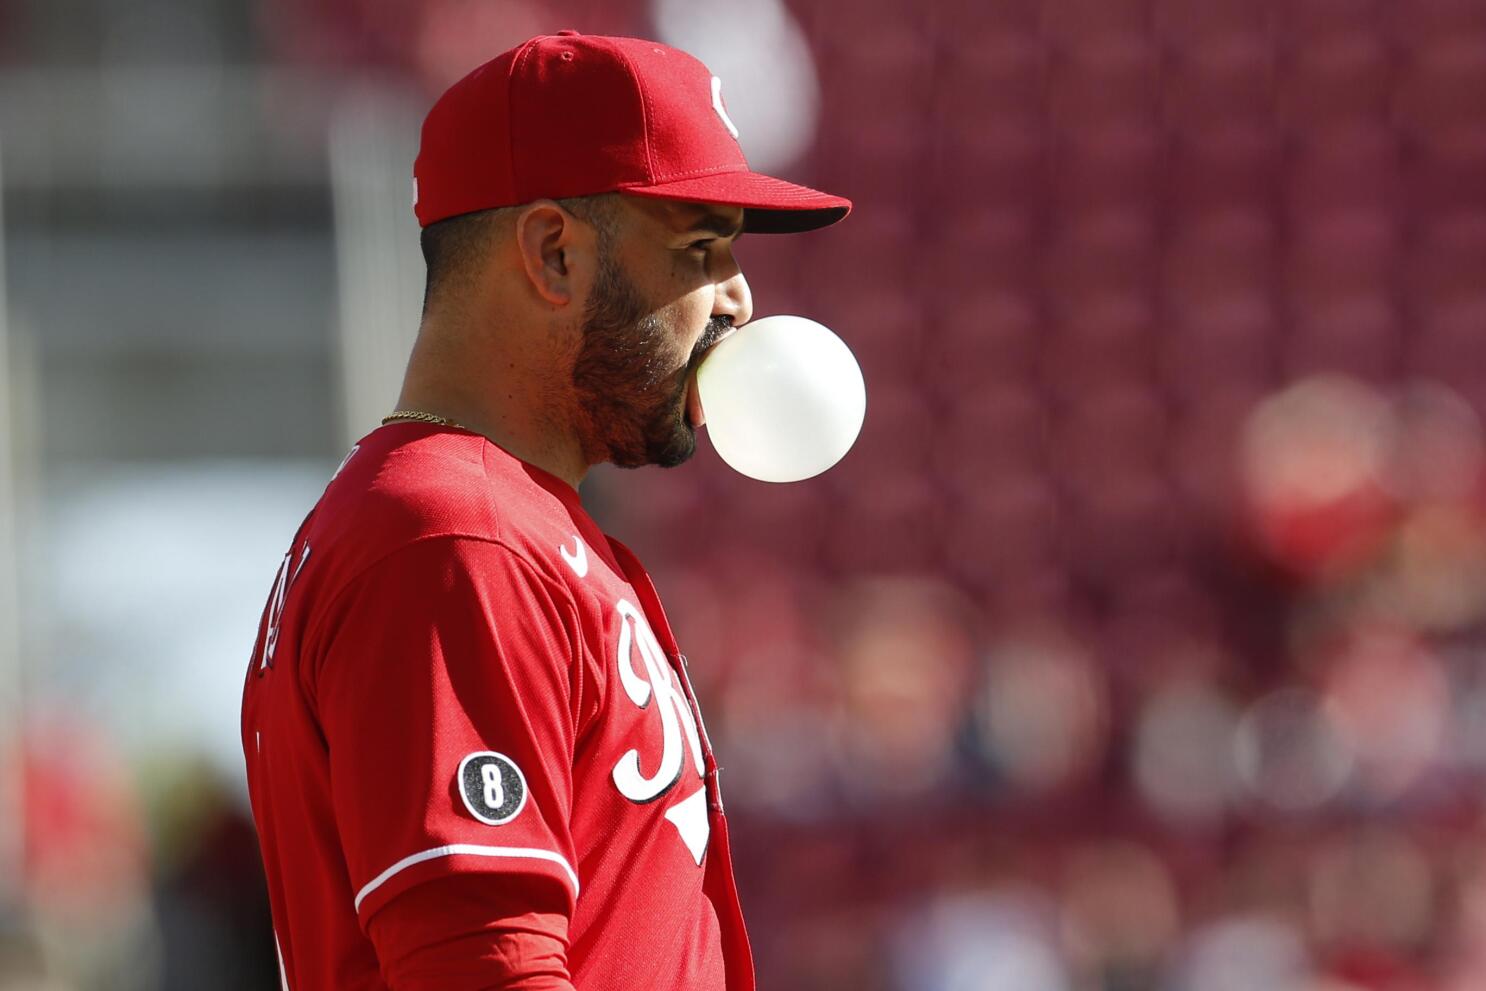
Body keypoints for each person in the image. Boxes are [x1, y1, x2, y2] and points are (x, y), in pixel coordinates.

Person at [240, 31, 851, 991]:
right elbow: (485, 970)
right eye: (700, 246)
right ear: (554, 253)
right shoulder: (454, 535)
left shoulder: (497, 521)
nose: (739, 297)